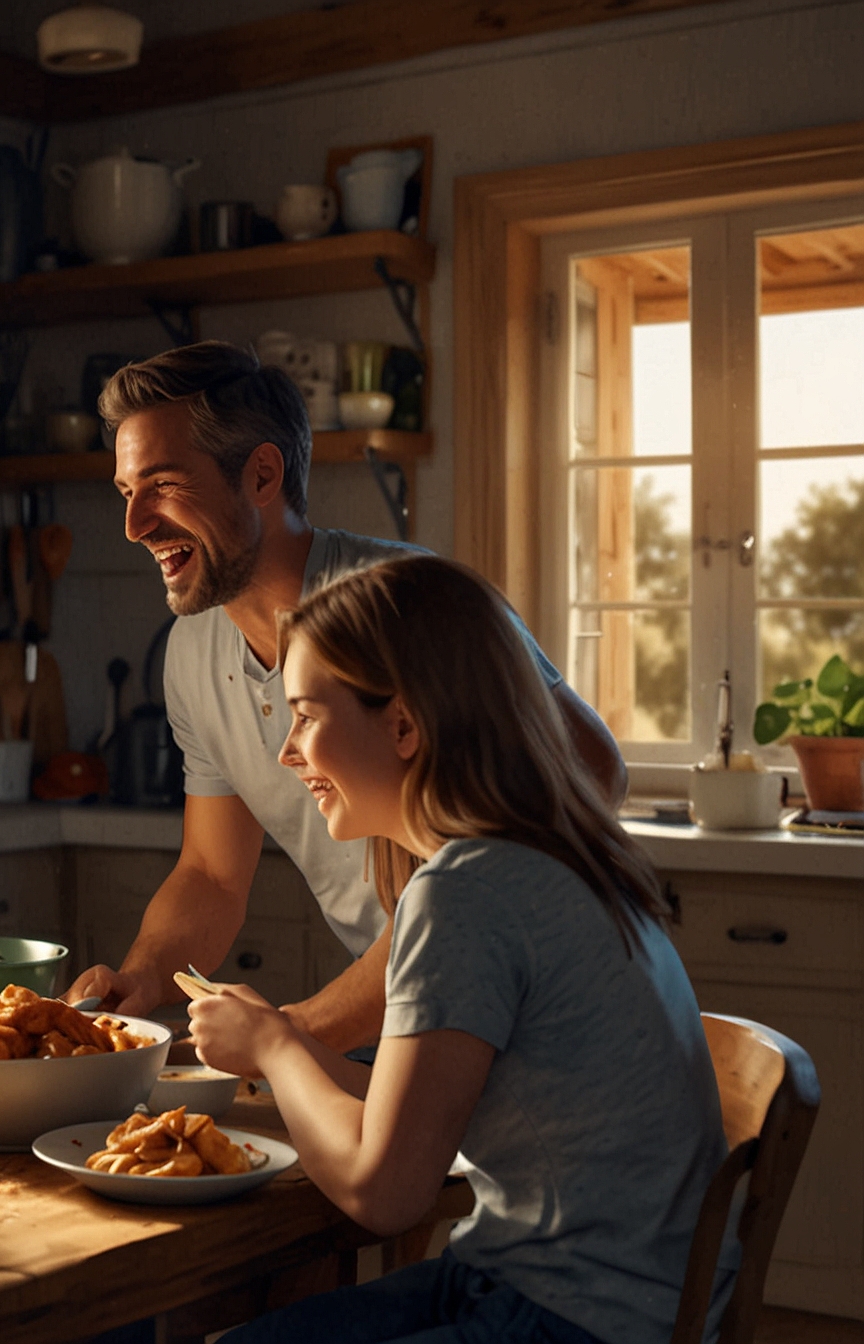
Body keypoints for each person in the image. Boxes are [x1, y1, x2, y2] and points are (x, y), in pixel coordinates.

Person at [189, 555, 727, 1344]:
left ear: (403, 726)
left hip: (575, 1318)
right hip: (573, 1287)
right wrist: (282, 1057)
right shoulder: (544, 857)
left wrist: (277, 1048)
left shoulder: (467, 895)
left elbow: (385, 1192)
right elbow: (406, 1113)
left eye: (305, 715)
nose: (287, 752)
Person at [68, 341, 625, 1051]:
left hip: (521, 1015)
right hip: (398, 1016)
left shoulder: (405, 602)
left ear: (261, 474)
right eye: (126, 492)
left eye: (164, 484)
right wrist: (142, 979)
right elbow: (210, 873)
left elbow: (595, 773)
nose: (135, 525)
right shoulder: (191, 654)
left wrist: (289, 1037)